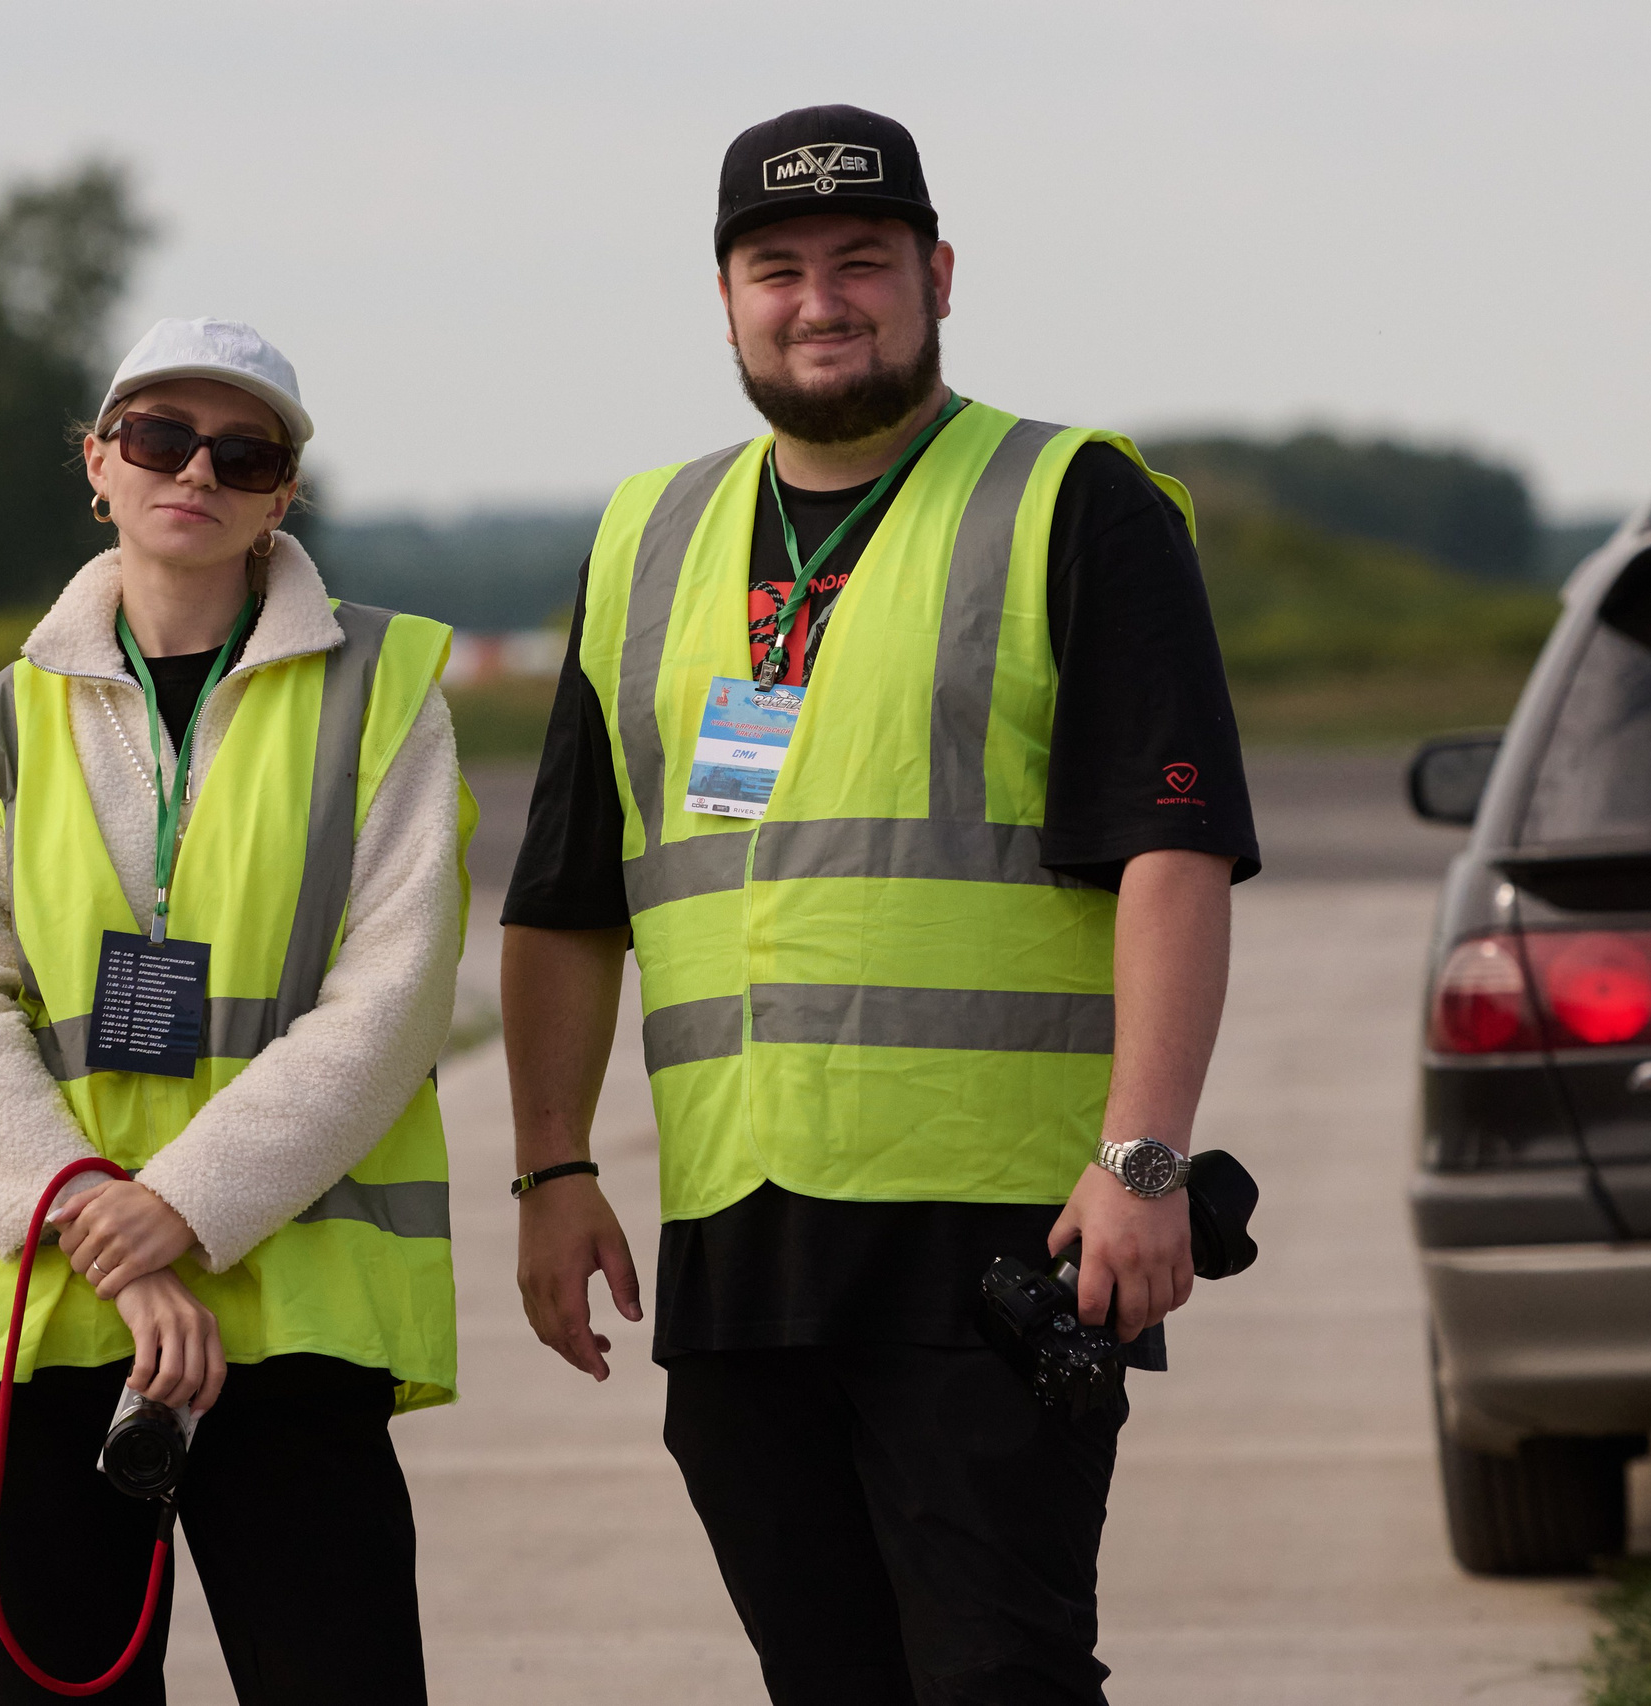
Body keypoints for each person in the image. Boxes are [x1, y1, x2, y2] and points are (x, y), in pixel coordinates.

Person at [501, 107, 1260, 1705]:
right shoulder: (647, 537)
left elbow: (1174, 856)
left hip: (999, 1229)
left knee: (1002, 1674)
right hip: (740, 1230)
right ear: (725, 298)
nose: (820, 299)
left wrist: (1144, 1154)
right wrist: (553, 1167)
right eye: (777, 267)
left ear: (939, 275)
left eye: (862, 261)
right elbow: (569, 897)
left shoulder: (1076, 502)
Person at [0, 316, 472, 1706]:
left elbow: (389, 999)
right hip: (44, 1310)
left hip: (293, 1304)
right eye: (157, 434)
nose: (194, 467)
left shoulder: (384, 694)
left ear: (282, 493)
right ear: (97, 462)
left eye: (242, 448)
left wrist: (185, 1209)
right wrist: (103, 1228)